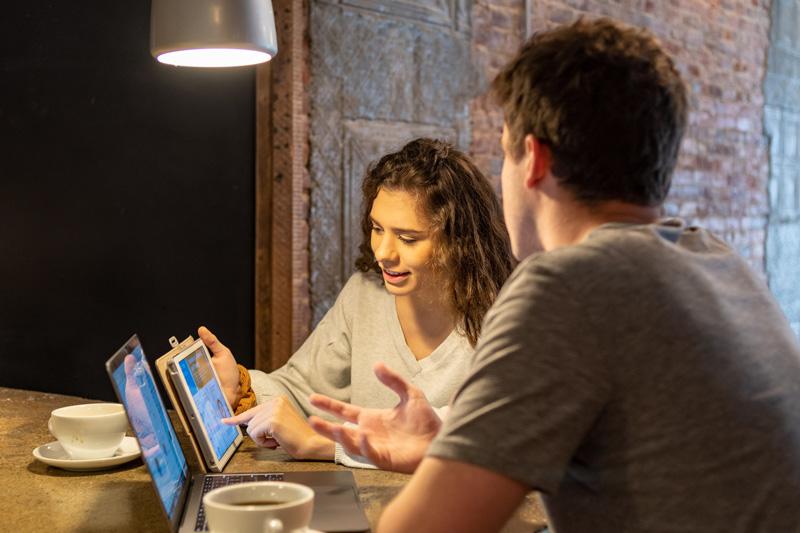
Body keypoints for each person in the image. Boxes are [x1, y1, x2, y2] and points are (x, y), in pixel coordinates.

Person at [308, 18, 800, 532]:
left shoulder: (568, 284)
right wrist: (447, 446)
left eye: (503, 151)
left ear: (534, 160)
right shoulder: (718, 260)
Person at [201, 138, 514, 466]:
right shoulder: (364, 294)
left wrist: (324, 445)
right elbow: (304, 392)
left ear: (459, 241)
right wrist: (242, 386)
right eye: (378, 229)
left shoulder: (507, 320)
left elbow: (481, 438)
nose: (383, 252)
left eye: (408, 239)